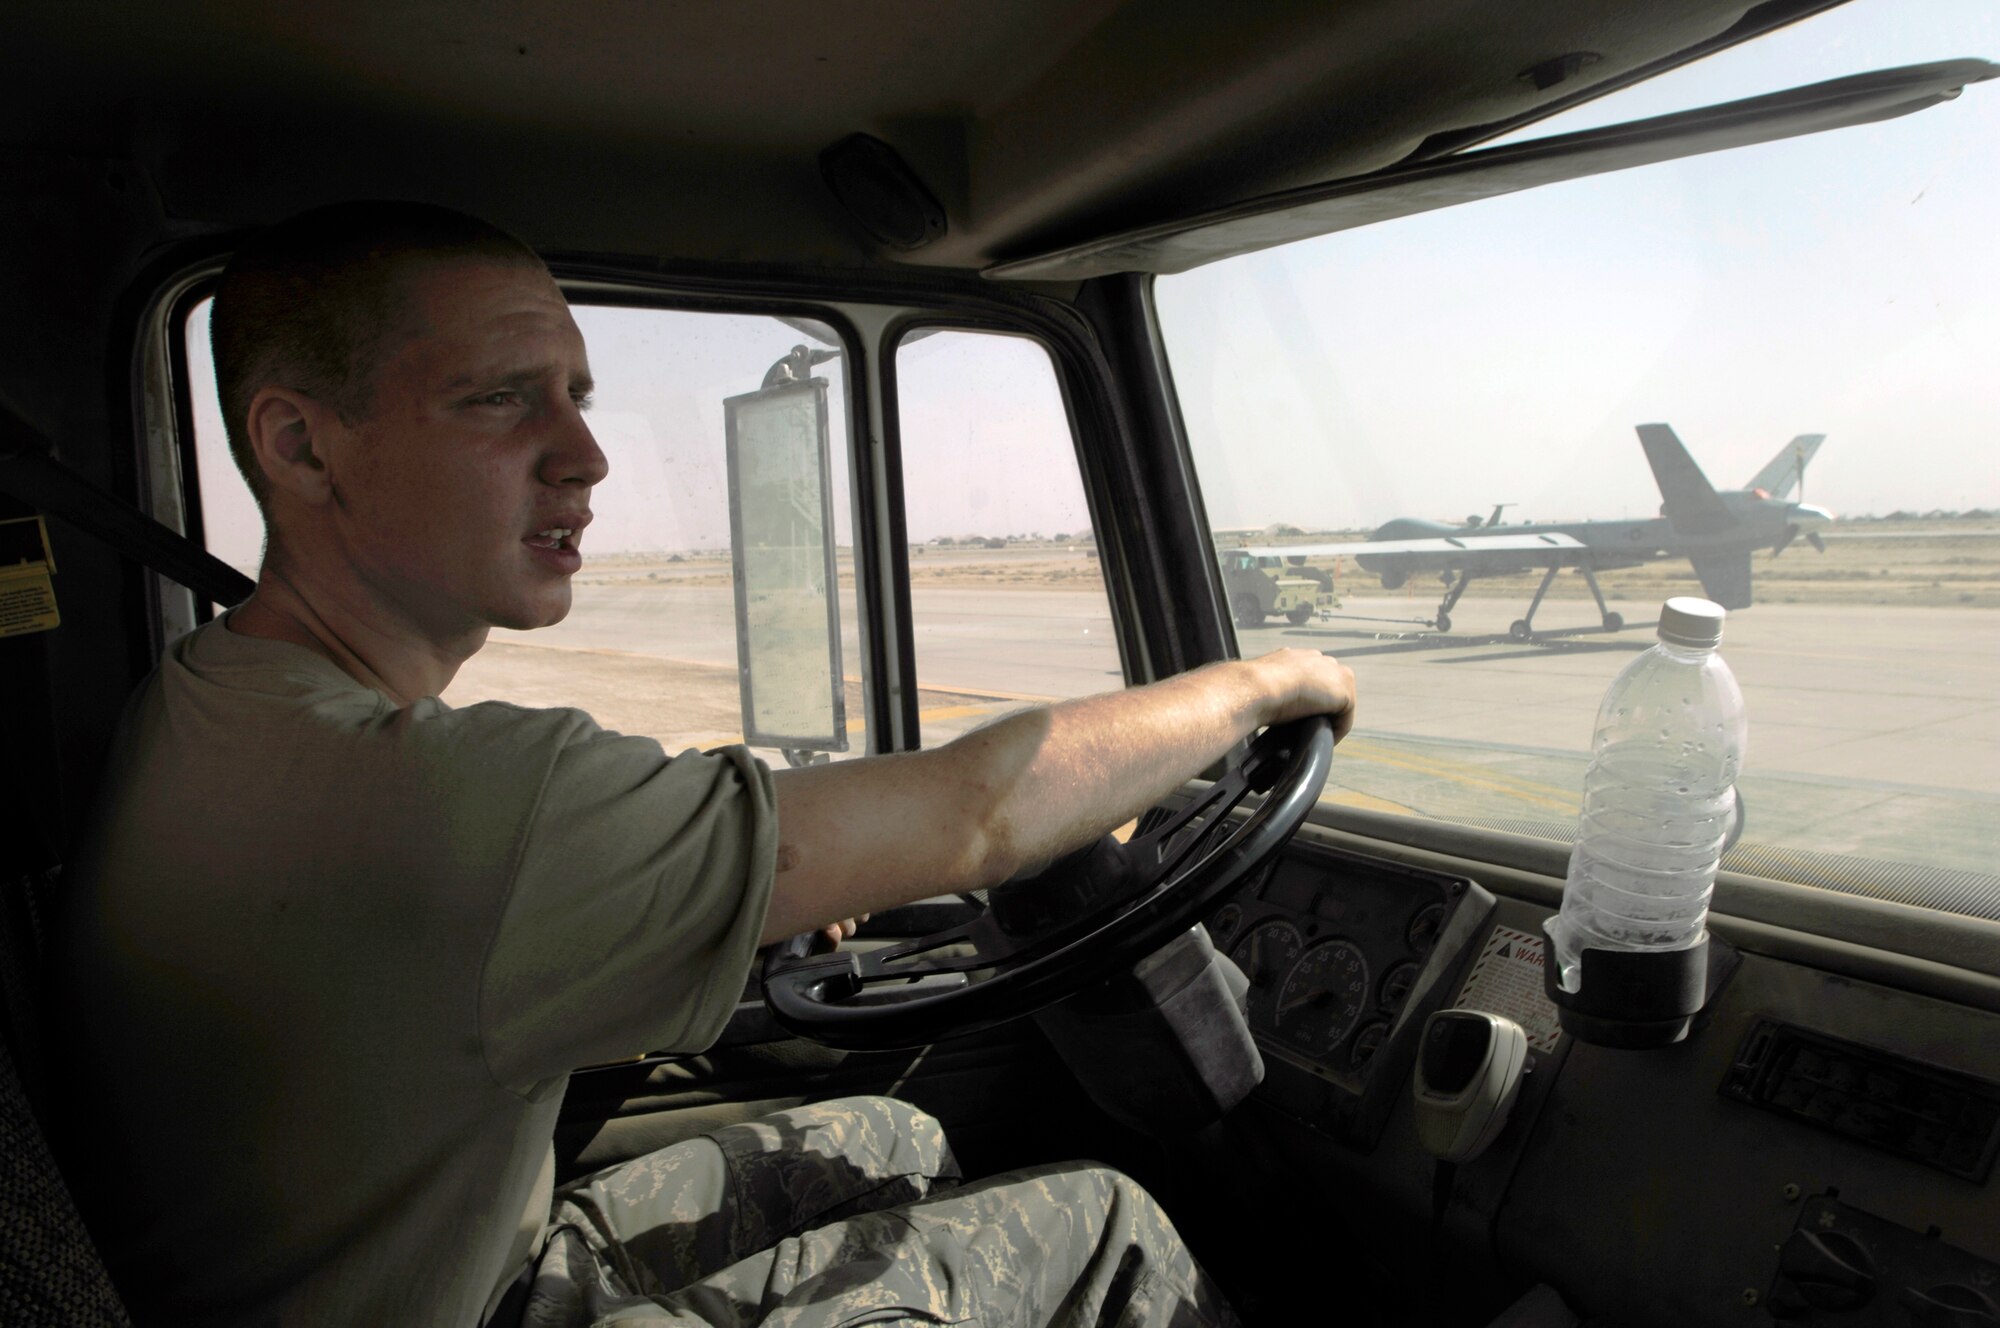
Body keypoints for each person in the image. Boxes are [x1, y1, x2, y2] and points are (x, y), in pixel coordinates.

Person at [54, 202, 1357, 1327]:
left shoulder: (216, 698)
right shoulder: (445, 801)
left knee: (891, 1135)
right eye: (502, 398)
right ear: (299, 446)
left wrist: (742, 837)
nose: (588, 455)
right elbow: (982, 813)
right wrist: (1264, 684)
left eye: (579, 395)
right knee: (1106, 1224)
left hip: (420, 1281)